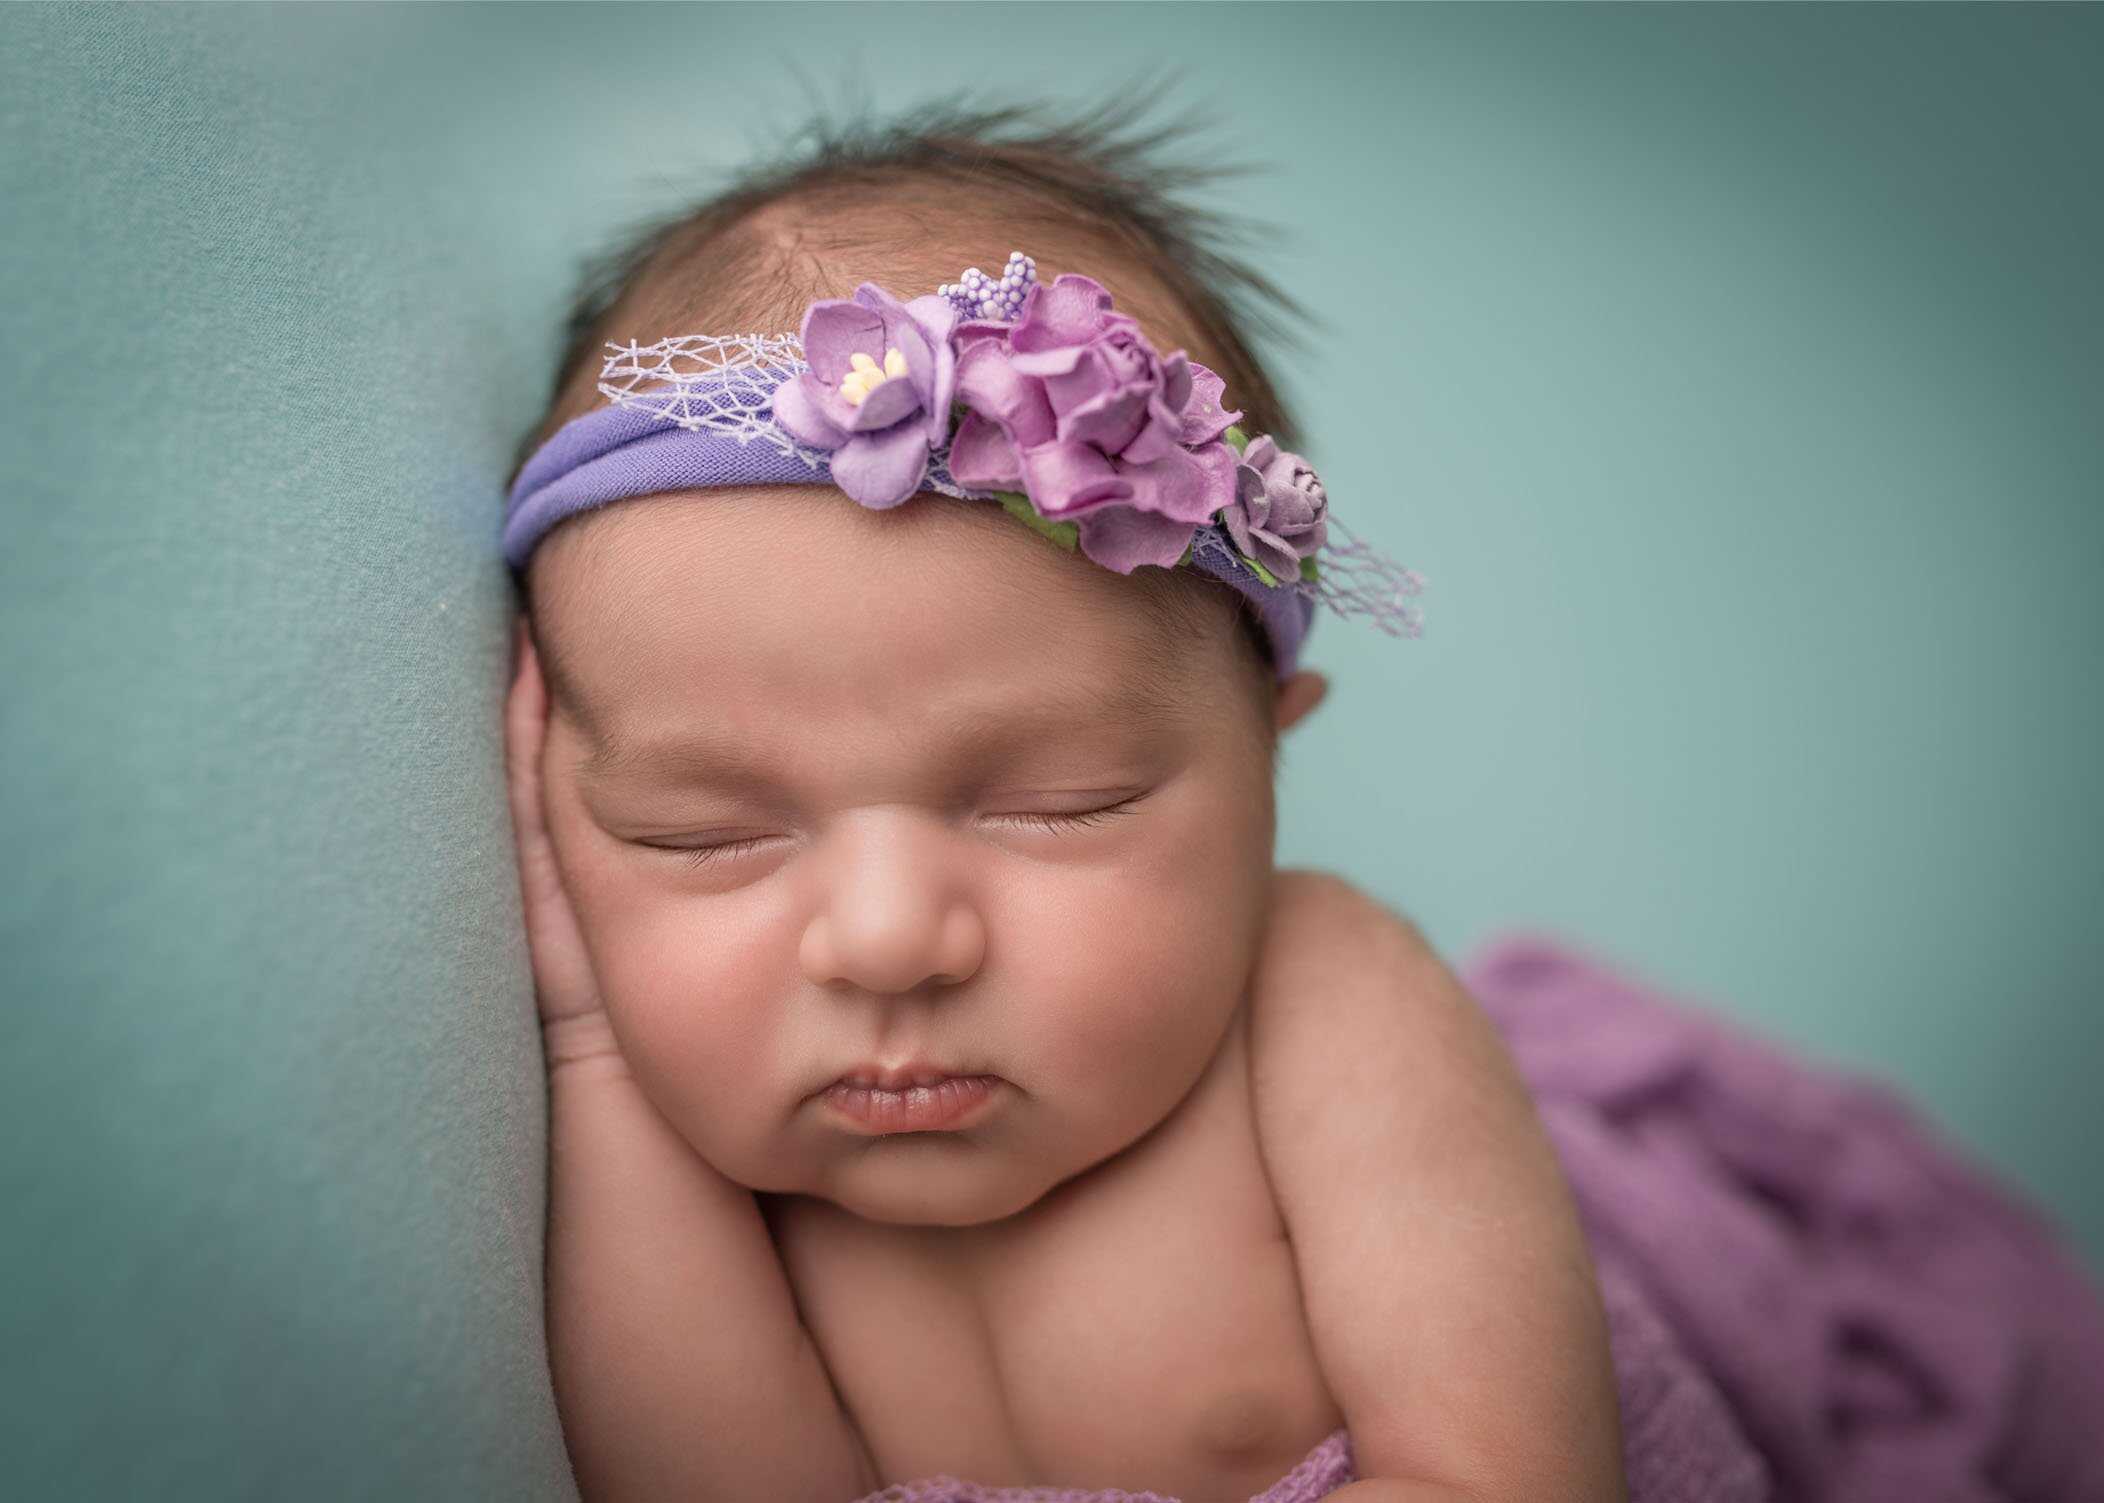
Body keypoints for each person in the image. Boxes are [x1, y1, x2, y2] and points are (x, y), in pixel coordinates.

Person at [500, 98, 1626, 1503]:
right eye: (700, 834)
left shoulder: (1326, 1000)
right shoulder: (674, 1136)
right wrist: (591, 1043)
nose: (889, 939)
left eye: (1063, 802)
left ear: (1269, 762)